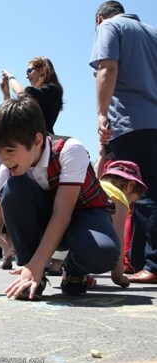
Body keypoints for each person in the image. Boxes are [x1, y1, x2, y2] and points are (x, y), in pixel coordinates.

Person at [0, 95, 120, 300]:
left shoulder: (70, 150)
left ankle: (73, 269)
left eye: (10, 150)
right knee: (13, 188)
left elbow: (62, 212)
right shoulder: (8, 169)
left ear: (37, 140)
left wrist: (39, 265)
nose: (4, 159)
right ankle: (30, 272)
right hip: (52, 219)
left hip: (85, 215)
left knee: (102, 253)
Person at [91, 1, 157, 284]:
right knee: (146, 192)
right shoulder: (153, 32)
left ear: (99, 18)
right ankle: (139, 261)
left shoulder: (110, 26)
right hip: (153, 120)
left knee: (124, 192)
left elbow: (108, 67)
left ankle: (147, 264)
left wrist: (101, 113)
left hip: (129, 121)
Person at [99, 160, 147, 288]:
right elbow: (118, 241)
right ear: (130, 186)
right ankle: (75, 273)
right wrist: (118, 276)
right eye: (133, 200)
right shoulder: (118, 198)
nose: (130, 205)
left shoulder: (95, 186)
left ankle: (74, 275)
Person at [0, 57, 64, 135]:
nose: (27, 76)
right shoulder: (39, 95)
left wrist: (10, 76)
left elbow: (23, 94)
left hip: (38, 142)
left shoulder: (52, 90)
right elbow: (8, 114)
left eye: (29, 71)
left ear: (42, 70)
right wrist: (6, 92)